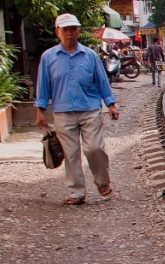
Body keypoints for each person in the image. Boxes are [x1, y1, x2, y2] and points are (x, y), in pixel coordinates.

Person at [35, 13, 120, 205]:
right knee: (71, 153)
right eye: (66, 30)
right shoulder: (49, 58)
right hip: (63, 111)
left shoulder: (90, 56)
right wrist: (40, 109)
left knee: (95, 148)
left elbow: (102, 81)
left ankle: (103, 182)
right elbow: (43, 85)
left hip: (90, 109)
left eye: (73, 29)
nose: (70, 33)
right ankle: (76, 192)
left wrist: (111, 105)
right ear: (58, 32)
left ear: (79, 31)